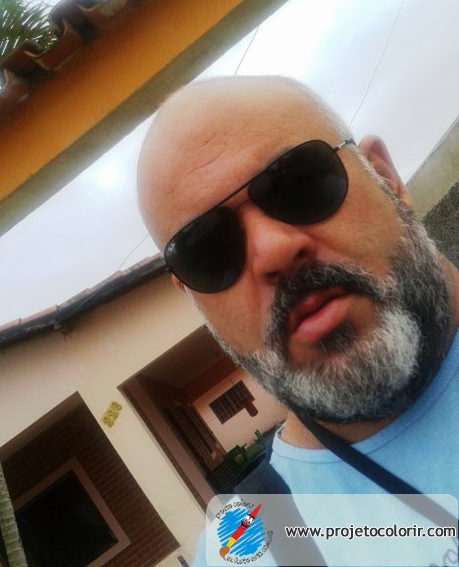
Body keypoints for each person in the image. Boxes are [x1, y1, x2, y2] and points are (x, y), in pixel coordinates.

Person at [137, 76, 458, 565]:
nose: (273, 251)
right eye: (208, 250)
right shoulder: (247, 549)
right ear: (196, 301)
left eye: (299, 182)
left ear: (386, 178)